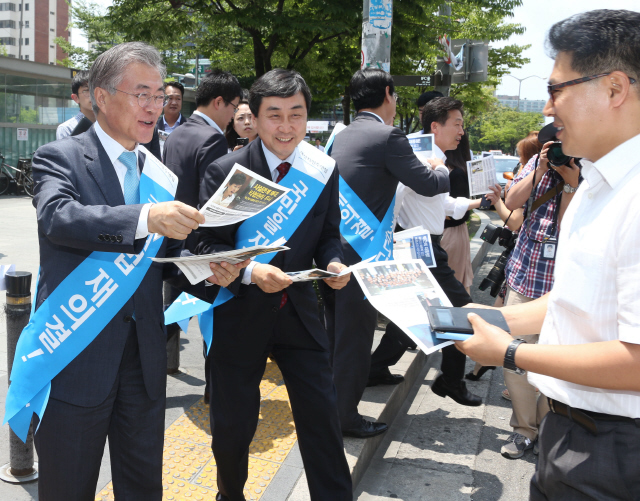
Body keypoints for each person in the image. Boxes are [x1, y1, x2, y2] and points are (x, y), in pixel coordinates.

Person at [27, 42, 246, 501]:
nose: (155, 106)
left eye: (159, 95)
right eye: (141, 94)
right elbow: (58, 218)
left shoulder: (157, 168)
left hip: (144, 358)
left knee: (143, 487)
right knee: (68, 486)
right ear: (101, 97)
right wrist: (145, 218)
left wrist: (207, 269)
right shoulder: (60, 156)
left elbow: (160, 261)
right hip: (76, 352)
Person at [456, 9, 640, 499]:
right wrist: (486, 318)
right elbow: (572, 298)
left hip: (619, 449)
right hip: (568, 434)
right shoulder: (595, 183)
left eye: (557, 90)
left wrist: (512, 353)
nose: (546, 108)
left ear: (615, 88)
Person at [197, 68, 353, 501]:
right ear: (255, 117)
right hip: (238, 313)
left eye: (296, 115)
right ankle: (230, 495)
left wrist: (335, 263)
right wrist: (249, 271)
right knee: (233, 428)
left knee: (322, 418)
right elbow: (206, 242)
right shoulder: (227, 170)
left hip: (300, 313)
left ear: (308, 117)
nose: (286, 127)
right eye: (274, 115)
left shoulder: (322, 169)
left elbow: (327, 234)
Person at [325, 68, 450, 438]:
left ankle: (331, 406)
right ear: (388, 93)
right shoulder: (388, 136)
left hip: (334, 251)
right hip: (362, 256)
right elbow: (426, 184)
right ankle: (343, 417)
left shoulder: (341, 135)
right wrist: (441, 168)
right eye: (395, 97)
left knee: (336, 337)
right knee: (354, 339)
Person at [386, 97, 484, 408]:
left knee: (416, 315)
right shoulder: (420, 158)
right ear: (435, 126)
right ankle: (450, 379)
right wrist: (390, 239)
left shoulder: (437, 160)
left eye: (462, 123)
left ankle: (374, 367)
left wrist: (479, 203)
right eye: (456, 123)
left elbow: (440, 205)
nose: (461, 131)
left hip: (428, 244)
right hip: (417, 245)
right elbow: (397, 198)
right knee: (461, 309)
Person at [494, 126, 579, 458]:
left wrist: (570, 182)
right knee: (513, 355)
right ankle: (523, 429)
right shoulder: (537, 163)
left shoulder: (586, 171)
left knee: (551, 360)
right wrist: (541, 168)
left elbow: (566, 227)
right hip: (525, 272)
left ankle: (546, 429)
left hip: (561, 282)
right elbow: (512, 202)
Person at [163, 69, 242, 402]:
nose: (235, 115)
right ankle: (216, 392)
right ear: (219, 101)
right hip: (201, 248)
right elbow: (217, 200)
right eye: (234, 107)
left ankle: (145, 372)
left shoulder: (178, 133)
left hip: (173, 243)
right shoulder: (212, 140)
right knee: (217, 321)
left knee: (171, 317)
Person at [441, 132, 490, 294]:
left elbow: (454, 212)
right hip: (452, 232)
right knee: (458, 282)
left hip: (450, 232)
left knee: (454, 283)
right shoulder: (453, 169)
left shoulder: (456, 173)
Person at [56, 70, 95, 139]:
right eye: (86, 90)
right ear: (76, 98)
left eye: (96, 89)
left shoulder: (112, 125)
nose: (93, 94)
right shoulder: (67, 129)